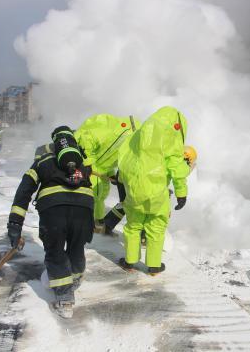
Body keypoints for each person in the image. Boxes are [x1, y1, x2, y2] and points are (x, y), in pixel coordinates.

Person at [7, 126, 94, 318]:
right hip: (84, 209)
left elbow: (24, 191)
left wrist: (15, 224)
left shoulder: (42, 161)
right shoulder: (83, 161)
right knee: (76, 247)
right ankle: (75, 278)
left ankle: (65, 299)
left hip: (54, 211)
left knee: (55, 252)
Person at [117, 106, 190, 275]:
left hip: (134, 191)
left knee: (133, 227)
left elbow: (124, 162)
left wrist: (125, 185)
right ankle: (154, 266)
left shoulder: (136, 137)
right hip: (157, 193)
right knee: (156, 228)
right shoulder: (171, 137)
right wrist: (181, 193)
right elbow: (177, 167)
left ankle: (130, 262)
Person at [103, 145, 197, 235]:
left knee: (126, 203)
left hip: (129, 176)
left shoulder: (163, 152)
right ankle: (144, 236)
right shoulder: (177, 162)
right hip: (141, 183)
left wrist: (120, 178)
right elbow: (179, 178)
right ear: (187, 158)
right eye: (189, 163)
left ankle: (107, 225)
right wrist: (181, 196)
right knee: (149, 209)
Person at [74, 114, 140, 233]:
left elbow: (108, 157)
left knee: (102, 194)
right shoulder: (118, 134)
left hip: (101, 168)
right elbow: (87, 139)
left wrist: (110, 173)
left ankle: (97, 221)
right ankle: (88, 221)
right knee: (94, 193)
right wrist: (87, 163)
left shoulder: (128, 142)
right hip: (90, 163)